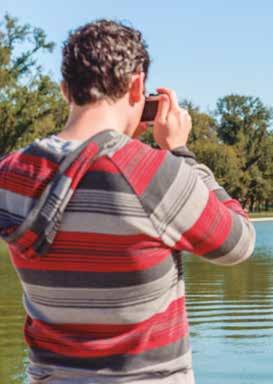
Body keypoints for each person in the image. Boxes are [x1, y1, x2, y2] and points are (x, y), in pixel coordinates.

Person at [0, 20, 255, 383]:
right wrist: (181, 152)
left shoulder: (11, 172)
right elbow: (238, 243)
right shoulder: (152, 173)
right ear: (137, 86)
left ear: (64, 91)